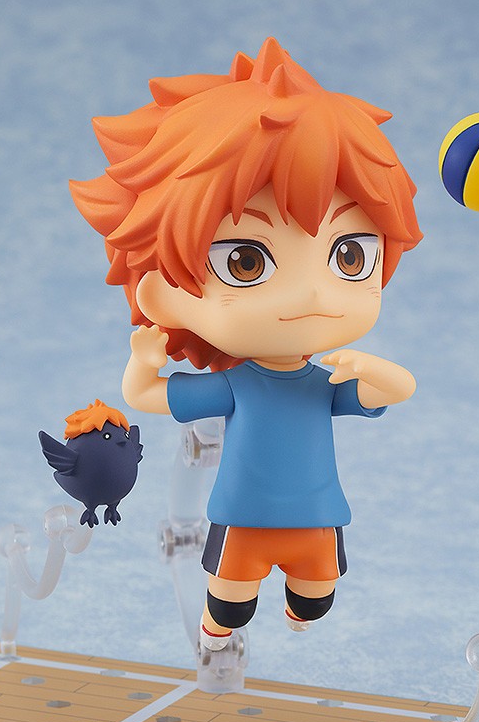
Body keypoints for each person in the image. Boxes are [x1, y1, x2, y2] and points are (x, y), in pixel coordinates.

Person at [70, 37, 423, 650]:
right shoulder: (237, 385)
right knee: (229, 605)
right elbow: (148, 397)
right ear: (163, 293)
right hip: (242, 517)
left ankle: (296, 614)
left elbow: (395, 391)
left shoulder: (326, 383)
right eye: (246, 261)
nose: (312, 292)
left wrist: (372, 367)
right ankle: (217, 631)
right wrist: (142, 361)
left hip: (318, 517)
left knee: (316, 597)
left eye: (349, 255)